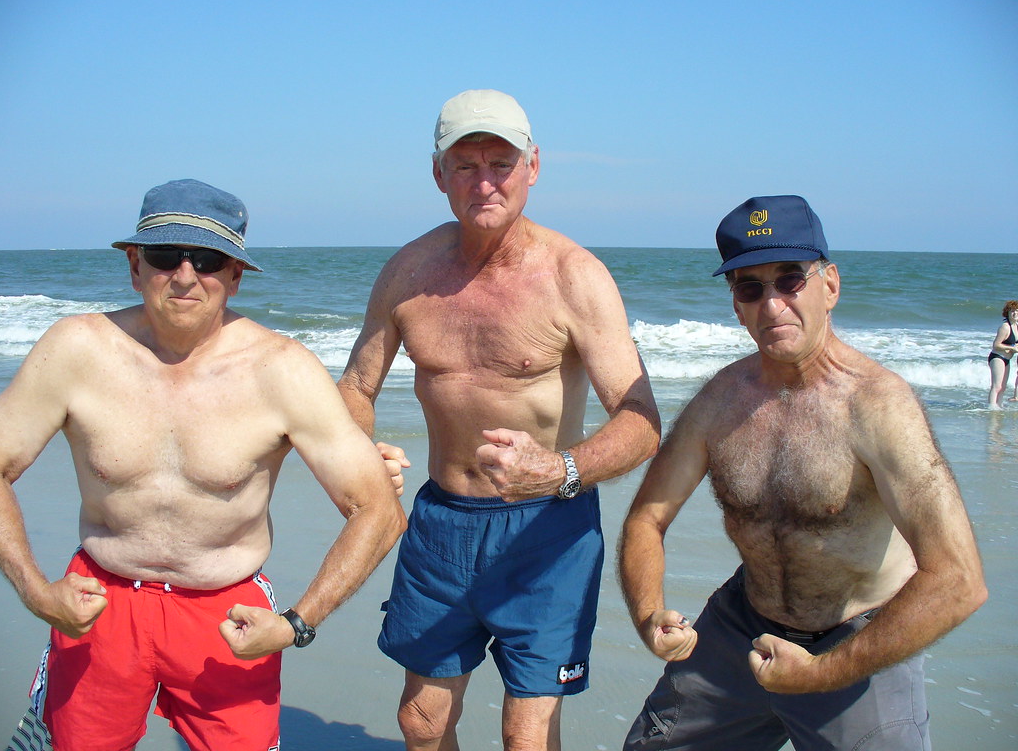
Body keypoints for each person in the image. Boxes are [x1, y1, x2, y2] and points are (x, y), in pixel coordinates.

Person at [0, 179, 406, 751]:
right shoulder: (76, 350)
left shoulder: (281, 370)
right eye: (166, 255)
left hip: (228, 617)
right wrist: (38, 593)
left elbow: (378, 511)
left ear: (235, 275)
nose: (185, 276)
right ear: (135, 265)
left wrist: (296, 623)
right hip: (97, 606)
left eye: (208, 260)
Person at [337, 89, 661, 751]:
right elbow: (357, 386)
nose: (484, 182)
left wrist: (559, 469)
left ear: (533, 166)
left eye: (501, 163)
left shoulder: (575, 276)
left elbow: (642, 421)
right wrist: (357, 452)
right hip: (441, 525)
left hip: (548, 530)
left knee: (526, 735)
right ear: (439, 175)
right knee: (421, 722)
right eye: (465, 165)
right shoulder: (407, 272)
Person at [619, 195, 987, 751]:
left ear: (829, 285)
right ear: (737, 305)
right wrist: (650, 617)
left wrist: (818, 673)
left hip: (858, 645)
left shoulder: (879, 408)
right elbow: (647, 519)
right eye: (750, 288)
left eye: (790, 280)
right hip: (739, 631)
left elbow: (959, 580)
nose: (772, 305)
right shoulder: (720, 402)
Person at [987, 299, 1018, 408]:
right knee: (996, 386)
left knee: (1003, 387)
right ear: (1007, 313)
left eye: (1017, 311)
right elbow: (996, 345)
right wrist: (1012, 348)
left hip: (1007, 359)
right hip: (997, 357)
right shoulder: (1005, 327)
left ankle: (999, 407)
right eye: (1012, 311)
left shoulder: (1016, 327)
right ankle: (991, 408)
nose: (1015, 313)